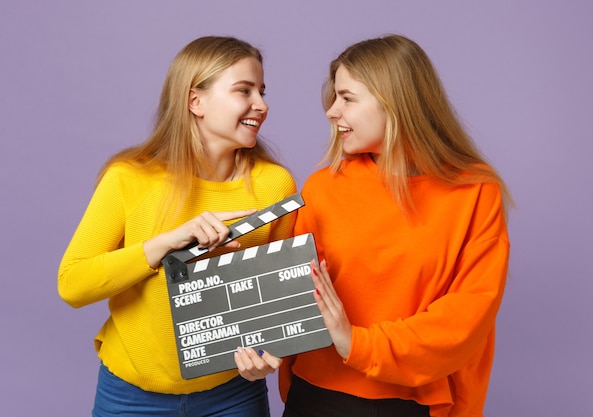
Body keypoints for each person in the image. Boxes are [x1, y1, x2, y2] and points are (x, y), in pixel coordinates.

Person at [58, 36, 296, 417]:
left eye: (262, 92)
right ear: (194, 101)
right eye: (244, 91)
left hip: (232, 393)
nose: (262, 105)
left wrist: (270, 356)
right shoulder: (130, 179)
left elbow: (280, 298)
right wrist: (162, 245)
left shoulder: (274, 185)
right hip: (131, 395)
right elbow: (72, 284)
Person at [279, 34, 512, 417]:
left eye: (347, 98)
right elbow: (295, 293)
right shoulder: (322, 186)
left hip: (415, 399)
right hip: (318, 394)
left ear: (395, 102)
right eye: (334, 97)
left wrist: (358, 343)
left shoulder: (474, 190)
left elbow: (467, 315)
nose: (332, 111)